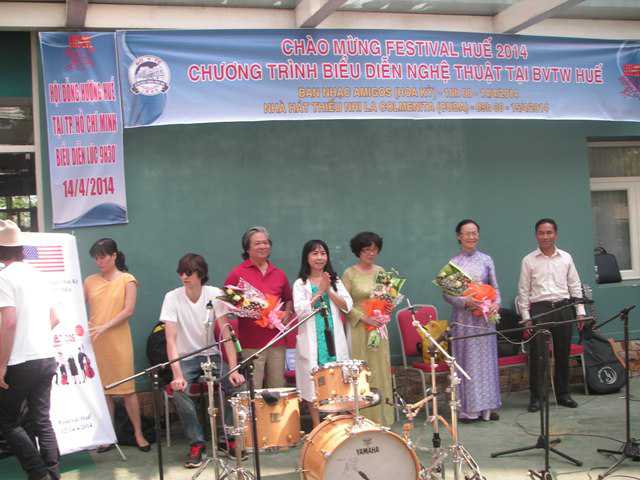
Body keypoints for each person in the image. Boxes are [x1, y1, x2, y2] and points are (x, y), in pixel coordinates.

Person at [161, 253, 245, 469]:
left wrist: (234, 369)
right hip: (185, 358)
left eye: (189, 273)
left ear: (200, 274)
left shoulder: (214, 294)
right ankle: (197, 443)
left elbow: (226, 334)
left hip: (211, 355)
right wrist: (177, 375)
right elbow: (170, 340)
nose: (184, 277)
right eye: (181, 272)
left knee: (236, 385)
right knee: (178, 391)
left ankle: (228, 437)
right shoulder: (172, 297)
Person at [0, 220, 60, 480]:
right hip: (46, 356)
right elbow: (55, 318)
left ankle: (39, 473)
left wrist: (1, 364)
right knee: (41, 419)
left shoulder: (4, 277)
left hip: (20, 361)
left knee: (7, 421)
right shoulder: (38, 275)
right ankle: (52, 473)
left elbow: (9, 322)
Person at [84, 238, 150, 452]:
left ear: (114, 255)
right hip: (95, 342)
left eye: (103, 257)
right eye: (96, 258)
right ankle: (107, 435)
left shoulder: (127, 280)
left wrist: (105, 326)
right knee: (104, 392)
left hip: (119, 341)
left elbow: (128, 310)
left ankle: (138, 433)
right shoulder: (90, 281)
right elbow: (77, 305)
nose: (99, 261)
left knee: (127, 390)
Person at [518, 218, 585, 412]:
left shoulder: (566, 258)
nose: (545, 236)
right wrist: (526, 317)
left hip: (564, 308)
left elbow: (575, 285)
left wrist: (580, 311)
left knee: (563, 353)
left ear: (555, 234)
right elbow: (523, 290)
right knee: (538, 355)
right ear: (536, 235)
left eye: (549, 232)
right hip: (540, 309)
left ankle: (563, 394)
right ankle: (537, 398)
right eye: (541, 233)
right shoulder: (528, 260)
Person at [443, 219, 501, 422]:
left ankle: (487, 408)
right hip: (464, 322)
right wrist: (465, 301)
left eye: (474, 233)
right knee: (467, 363)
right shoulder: (454, 263)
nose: (471, 237)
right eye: (467, 233)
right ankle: (469, 410)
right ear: (459, 236)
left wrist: (496, 304)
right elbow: (447, 295)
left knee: (486, 363)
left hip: (485, 320)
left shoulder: (486, 259)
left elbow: (495, 288)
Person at [293, 240, 353, 428]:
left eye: (323, 253)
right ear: (307, 258)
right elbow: (300, 311)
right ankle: (317, 425)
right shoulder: (300, 283)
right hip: (313, 340)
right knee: (313, 384)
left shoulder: (335, 281)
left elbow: (347, 306)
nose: (319, 257)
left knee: (335, 379)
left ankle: (333, 423)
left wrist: (329, 290)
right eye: (315, 253)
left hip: (333, 338)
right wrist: (319, 291)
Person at [224, 226, 293, 389]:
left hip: (276, 342)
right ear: (247, 248)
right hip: (251, 344)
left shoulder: (279, 274)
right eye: (257, 243)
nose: (263, 246)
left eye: (266, 243)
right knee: (253, 388)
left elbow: (288, 300)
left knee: (277, 387)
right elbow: (227, 301)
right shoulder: (237, 274)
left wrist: (286, 313)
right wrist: (248, 310)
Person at [342, 231, 394, 426]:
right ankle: (363, 418)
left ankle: (383, 417)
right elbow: (344, 305)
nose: (371, 253)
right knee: (362, 370)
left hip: (378, 329)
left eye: (374, 249)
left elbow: (387, 298)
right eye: (366, 250)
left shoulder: (382, 272)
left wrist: (387, 308)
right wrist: (365, 318)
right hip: (359, 329)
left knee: (380, 368)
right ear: (358, 251)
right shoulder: (349, 273)